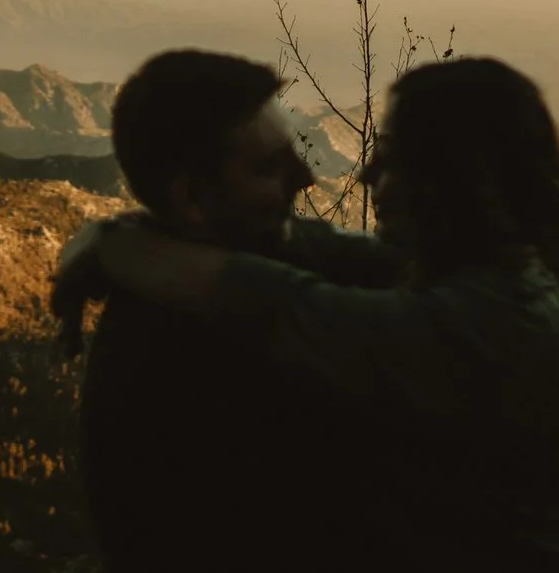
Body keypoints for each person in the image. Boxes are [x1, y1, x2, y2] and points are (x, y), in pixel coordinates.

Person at [55, 56, 559, 573]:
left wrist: (113, 244)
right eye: (268, 165)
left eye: (393, 159)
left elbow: (276, 296)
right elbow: (333, 252)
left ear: (455, 186)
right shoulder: (540, 263)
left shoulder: (496, 325)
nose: (361, 174)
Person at [66, 49, 399, 573]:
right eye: (269, 166)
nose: (306, 178)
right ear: (193, 201)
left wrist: (110, 239)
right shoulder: (189, 356)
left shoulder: (206, 267)